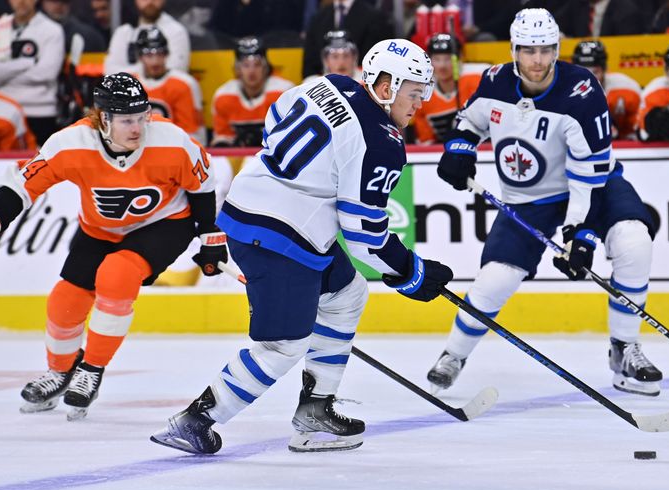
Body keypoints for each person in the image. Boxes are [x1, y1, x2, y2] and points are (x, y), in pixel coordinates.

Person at [150, 38, 454, 455]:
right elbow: (365, 236)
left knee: (347, 295)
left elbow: (275, 117)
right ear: (386, 86)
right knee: (283, 344)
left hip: (258, 212)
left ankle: (315, 411)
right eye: (415, 93)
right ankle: (195, 420)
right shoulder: (382, 142)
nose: (419, 104)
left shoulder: (327, 83)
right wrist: (411, 272)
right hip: (281, 240)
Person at [0, 73, 224, 421]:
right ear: (103, 119)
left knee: (117, 274)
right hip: (99, 229)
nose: (138, 128)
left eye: (142, 117)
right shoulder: (71, 143)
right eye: (127, 120)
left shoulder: (172, 141)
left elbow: (202, 183)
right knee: (64, 300)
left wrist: (209, 234)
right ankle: (61, 371)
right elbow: (24, 184)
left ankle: (91, 369)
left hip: (166, 223)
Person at [427, 8, 662, 398]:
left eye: (545, 50)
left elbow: (589, 177)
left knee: (634, 243)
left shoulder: (581, 91)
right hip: (528, 199)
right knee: (494, 281)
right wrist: (459, 149)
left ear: (556, 49)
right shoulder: (494, 81)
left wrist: (579, 234)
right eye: (528, 50)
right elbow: (469, 122)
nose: (537, 60)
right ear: (514, 50)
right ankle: (454, 354)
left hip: (594, 186)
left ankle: (624, 350)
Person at [0, 0, 65, 146]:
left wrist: (3, 73)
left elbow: (46, 73)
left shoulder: (52, 30)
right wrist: (28, 63)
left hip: (39, 110)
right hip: (0, 110)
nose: (22, 2)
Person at [210, 37, 294, 147]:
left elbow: (291, 137)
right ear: (238, 69)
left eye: (257, 64)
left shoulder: (283, 92)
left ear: (265, 68)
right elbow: (221, 141)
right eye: (246, 65)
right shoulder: (223, 96)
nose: (251, 71)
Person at [134, 27, 206, 145]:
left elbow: (193, 134)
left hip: (173, 151)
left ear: (166, 54)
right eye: (149, 55)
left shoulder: (184, 84)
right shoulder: (128, 85)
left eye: (160, 54)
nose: (155, 61)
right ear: (140, 56)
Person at [412, 32, 484, 144]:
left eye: (448, 59)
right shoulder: (422, 95)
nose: (442, 66)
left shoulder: (477, 80)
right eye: (436, 59)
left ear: (460, 58)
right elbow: (427, 143)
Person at [572, 40, 641, 140]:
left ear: (605, 69)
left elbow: (637, 131)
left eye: (595, 72)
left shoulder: (626, 88)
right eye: (583, 72)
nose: (588, 80)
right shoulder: (562, 93)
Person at [104, 0, 191, 74]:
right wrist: (151, 70)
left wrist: (130, 73)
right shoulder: (124, 32)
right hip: (128, 93)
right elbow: (110, 71)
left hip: (164, 92)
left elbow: (176, 71)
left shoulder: (176, 31)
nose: (150, 2)